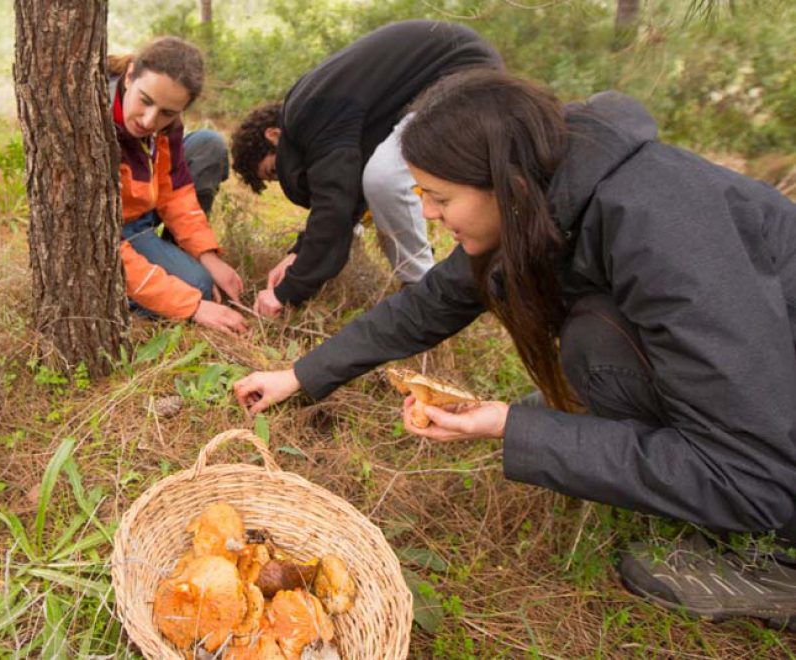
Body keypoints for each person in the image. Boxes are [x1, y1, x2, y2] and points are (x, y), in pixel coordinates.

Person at [233, 69, 796, 627]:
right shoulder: (554, 186)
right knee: (591, 354)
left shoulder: (666, 233)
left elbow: (753, 476)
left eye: (440, 197)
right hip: (760, 397)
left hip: (769, 457)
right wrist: (302, 375)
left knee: (594, 349)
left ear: (504, 185)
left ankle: (777, 572)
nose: (427, 213)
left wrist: (514, 426)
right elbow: (433, 301)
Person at [229, 20, 502, 318]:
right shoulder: (320, 110)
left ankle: (424, 293)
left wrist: (287, 292)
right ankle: (423, 286)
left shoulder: (309, 113)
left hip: (463, 73)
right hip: (451, 78)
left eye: (274, 171)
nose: (285, 179)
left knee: (385, 179)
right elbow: (347, 194)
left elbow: (335, 207)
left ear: (274, 135)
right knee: (376, 179)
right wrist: (298, 254)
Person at [109, 37, 248, 335]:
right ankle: (116, 295)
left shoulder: (167, 123)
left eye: (167, 112)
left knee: (208, 143)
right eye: (145, 101)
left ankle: (174, 261)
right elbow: (102, 243)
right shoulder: (94, 126)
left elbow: (175, 192)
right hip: (110, 231)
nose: (149, 120)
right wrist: (191, 305)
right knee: (197, 289)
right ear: (130, 76)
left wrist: (206, 255)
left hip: (141, 214)